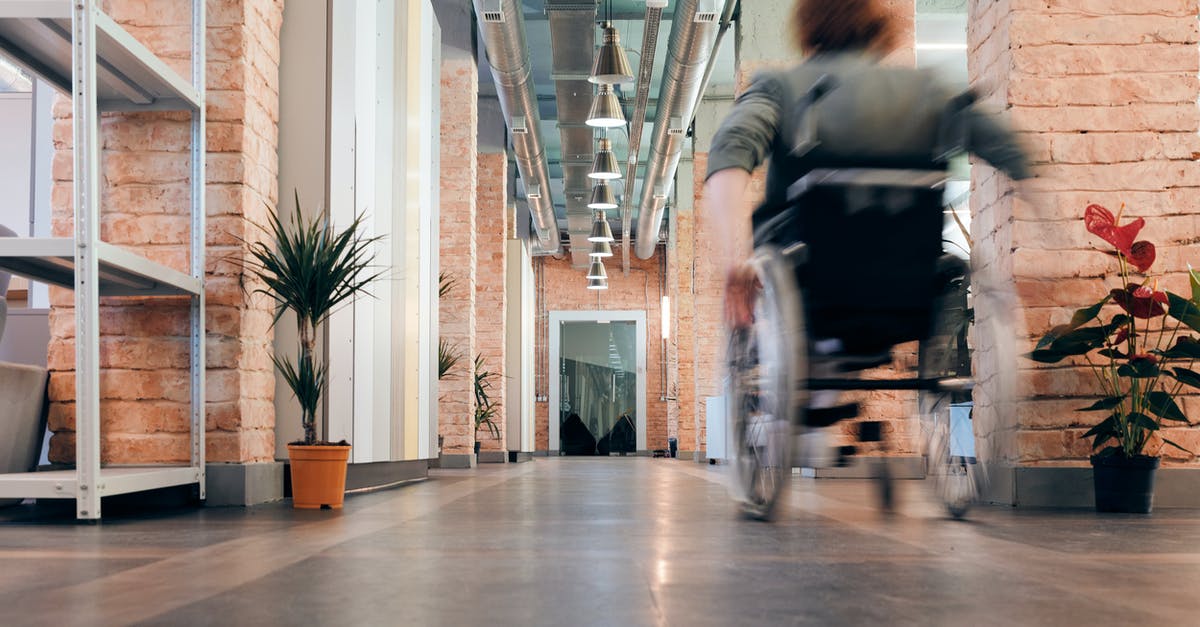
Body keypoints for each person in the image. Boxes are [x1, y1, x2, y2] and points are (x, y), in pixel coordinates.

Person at [705, 0, 1033, 331]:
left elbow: (730, 152)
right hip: (909, 267)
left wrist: (734, 260)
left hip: (806, 265)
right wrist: (1050, 224)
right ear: (877, 27)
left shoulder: (782, 88)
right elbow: (1009, 148)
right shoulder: (927, 89)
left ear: (807, 28)